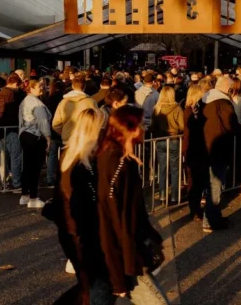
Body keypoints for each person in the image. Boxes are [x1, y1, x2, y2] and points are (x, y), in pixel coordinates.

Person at [97, 106, 169, 304]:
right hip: (124, 256)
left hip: (128, 253)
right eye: (141, 124)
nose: (144, 129)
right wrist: (120, 274)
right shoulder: (115, 162)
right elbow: (110, 218)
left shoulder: (120, 158)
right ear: (130, 128)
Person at [51, 107, 109, 304]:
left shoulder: (81, 158)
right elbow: (70, 205)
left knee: (91, 286)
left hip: (83, 233)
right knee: (95, 286)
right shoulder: (75, 164)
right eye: (103, 128)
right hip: (80, 235)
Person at [202, 75, 241, 233]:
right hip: (218, 148)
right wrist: (240, 129)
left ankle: (213, 216)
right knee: (216, 185)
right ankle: (210, 220)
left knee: (211, 184)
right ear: (228, 89)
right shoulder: (223, 103)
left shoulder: (204, 99)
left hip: (205, 147)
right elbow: (231, 124)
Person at [18, 79, 52, 208]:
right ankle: (33, 197)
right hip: (36, 136)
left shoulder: (24, 101)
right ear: (31, 88)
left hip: (25, 134)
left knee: (27, 166)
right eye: (39, 86)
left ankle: (25, 195)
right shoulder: (38, 104)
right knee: (35, 168)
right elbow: (43, 122)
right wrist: (48, 137)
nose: (42, 88)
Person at [152, 86, 184, 204]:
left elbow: (152, 126)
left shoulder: (157, 108)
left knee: (162, 168)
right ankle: (175, 196)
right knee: (175, 169)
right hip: (174, 139)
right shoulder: (177, 108)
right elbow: (182, 126)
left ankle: (162, 195)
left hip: (160, 140)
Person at [0, 74, 24, 192]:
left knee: (3, 157)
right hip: (12, 128)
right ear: (16, 84)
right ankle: (16, 183)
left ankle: (5, 183)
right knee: (15, 156)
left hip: (0, 129)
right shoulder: (12, 94)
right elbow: (12, 112)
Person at [182, 85, 208, 221]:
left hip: (197, 148)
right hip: (193, 148)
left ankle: (196, 206)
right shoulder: (189, 111)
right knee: (194, 179)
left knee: (198, 179)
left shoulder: (196, 110)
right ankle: (194, 208)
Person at [52, 76, 98, 147]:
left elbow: (55, 124)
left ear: (72, 86)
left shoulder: (63, 102)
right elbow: (96, 123)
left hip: (67, 141)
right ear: (84, 86)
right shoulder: (91, 103)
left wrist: (64, 132)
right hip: (85, 141)